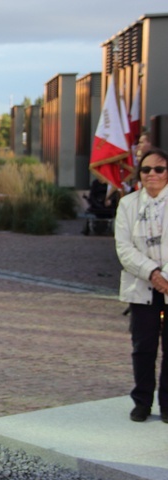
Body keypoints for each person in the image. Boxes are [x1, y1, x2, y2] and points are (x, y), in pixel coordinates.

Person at [114, 148, 168, 425]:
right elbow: (124, 248)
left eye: (159, 169)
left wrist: (166, 278)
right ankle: (142, 402)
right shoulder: (128, 204)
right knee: (143, 346)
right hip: (141, 285)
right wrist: (153, 274)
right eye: (146, 169)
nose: (152, 175)